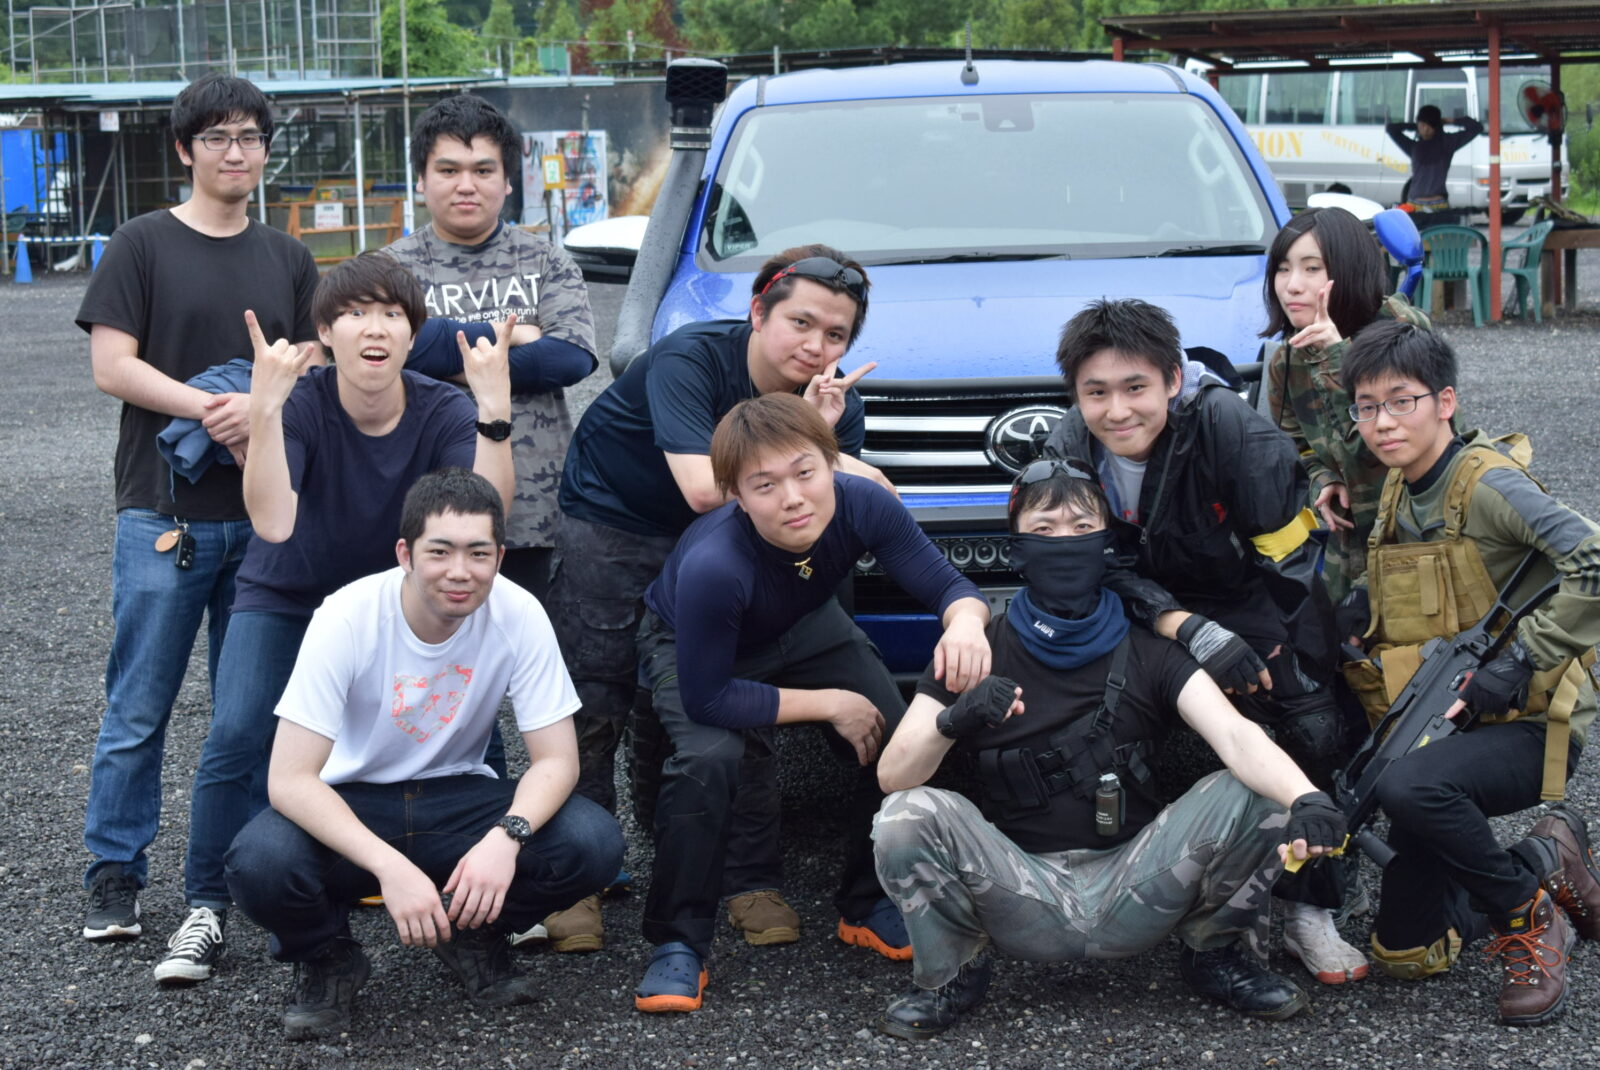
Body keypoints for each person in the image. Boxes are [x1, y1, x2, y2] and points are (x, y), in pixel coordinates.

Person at [870, 460, 1348, 1038]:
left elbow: (1235, 735)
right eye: (1044, 529)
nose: (1064, 541)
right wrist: (953, 719)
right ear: (1017, 549)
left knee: (1260, 792)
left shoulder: (1151, 649)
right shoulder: (977, 648)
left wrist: (1307, 797)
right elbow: (894, 775)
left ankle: (1219, 954)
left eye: (1081, 527)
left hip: (1139, 883)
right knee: (904, 816)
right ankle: (951, 975)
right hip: (1018, 888)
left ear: (1106, 544)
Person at [155, 253, 518, 984]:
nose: (374, 328)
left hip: (399, 600)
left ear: (413, 334)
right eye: (354, 313)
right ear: (325, 332)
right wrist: (264, 412)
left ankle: (483, 894)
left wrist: (495, 414)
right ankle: (206, 907)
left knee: (468, 727)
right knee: (237, 730)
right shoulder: (303, 402)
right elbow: (273, 521)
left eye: (392, 314)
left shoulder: (442, 408)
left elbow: (484, 516)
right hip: (289, 591)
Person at [544, 244, 891, 951]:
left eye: (836, 334)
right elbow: (705, 489)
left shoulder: (833, 405)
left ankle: (749, 876)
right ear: (759, 313)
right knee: (597, 697)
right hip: (618, 518)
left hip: (732, 543)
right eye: (801, 322)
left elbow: (823, 518)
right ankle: (578, 876)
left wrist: (823, 439)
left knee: (741, 689)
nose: (816, 346)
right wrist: (823, 452)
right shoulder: (691, 358)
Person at [224, 469, 624, 1041]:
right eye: (440, 551)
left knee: (593, 841)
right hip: (355, 801)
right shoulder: (347, 616)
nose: (460, 571)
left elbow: (558, 760)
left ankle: (473, 933)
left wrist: (505, 838)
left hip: (457, 797)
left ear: (500, 557)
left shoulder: (518, 613)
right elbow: (289, 780)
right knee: (258, 862)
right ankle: (328, 957)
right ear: (405, 554)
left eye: (478, 553)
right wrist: (390, 867)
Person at [1043, 298, 1369, 986]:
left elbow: (1289, 559)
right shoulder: (1070, 445)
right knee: (1093, 726)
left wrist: (1283, 654)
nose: (1116, 411)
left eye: (1135, 387)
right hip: (1138, 606)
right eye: (1095, 393)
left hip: (1247, 593)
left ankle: (1310, 904)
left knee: (1312, 726)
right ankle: (1126, 881)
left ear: (1172, 379)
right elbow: (1089, 564)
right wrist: (1183, 626)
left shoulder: (1232, 430)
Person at [632, 394, 990, 1013]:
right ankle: (678, 941)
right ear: (736, 496)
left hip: (803, 622)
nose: (793, 497)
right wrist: (830, 703)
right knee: (708, 762)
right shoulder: (717, 563)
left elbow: (948, 585)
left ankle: (868, 901)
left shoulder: (864, 502)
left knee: (903, 736)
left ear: (832, 463)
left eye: (805, 472)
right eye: (765, 485)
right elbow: (709, 696)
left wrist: (965, 623)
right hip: (698, 648)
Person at [74, 74, 319, 943]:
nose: (235, 152)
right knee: (138, 706)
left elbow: (312, 363)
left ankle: (235, 876)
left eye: (250, 137)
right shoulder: (141, 243)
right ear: (184, 149)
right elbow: (112, 366)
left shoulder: (288, 257)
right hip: (161, 514)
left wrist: (261, 407)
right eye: (216, 137)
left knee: (247, 716)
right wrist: (216, 407)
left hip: (262, 516)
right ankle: (114, 872)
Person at [1338, 320, 1600, 1026]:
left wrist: (1523, 658)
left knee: (1409, 787)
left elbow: (1595, 561)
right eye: (1367, 406)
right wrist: (1360, 605)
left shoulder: (1488, 484)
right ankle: (1546, 858)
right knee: (1405, 954)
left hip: (1529, 723)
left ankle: (1527, 915)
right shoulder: (1400, 486)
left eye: (1402, 402)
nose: (1383, 423)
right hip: (1449, 720)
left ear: (1445, 402)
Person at [384, 93, 598, 602]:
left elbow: (570, 356)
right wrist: (514, 336)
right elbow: (396, 353)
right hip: (421, 511)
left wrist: (449, 357)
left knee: (534, 645)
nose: (466, 185)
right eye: (448, 170)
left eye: (483, 170)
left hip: (535, 513)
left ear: (507, 181)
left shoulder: (546, 261)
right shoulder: (389, 269)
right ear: (421, 180)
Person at [1263, 206, 1432, 602]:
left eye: (1311, 268)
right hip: (1350, 545)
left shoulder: (1401, 331)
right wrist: (1323, 478)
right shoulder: (1288, 360)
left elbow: (1388, 443)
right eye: (1283, 269)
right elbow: (1294, 443)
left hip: (1419, 537)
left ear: (1349, 269)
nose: (1292, 286)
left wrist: (1336, 357)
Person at [1385, 104, 1483, 210]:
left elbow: (1477, 127)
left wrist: (1447, 121)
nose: (1425, 129)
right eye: (1422, 125)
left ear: (1436, 126)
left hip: (1435, 203)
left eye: (1429, 126)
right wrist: (1417, 125)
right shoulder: (1415, 146)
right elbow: (1390, 129)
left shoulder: (1446, 143)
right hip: (1417, 203)